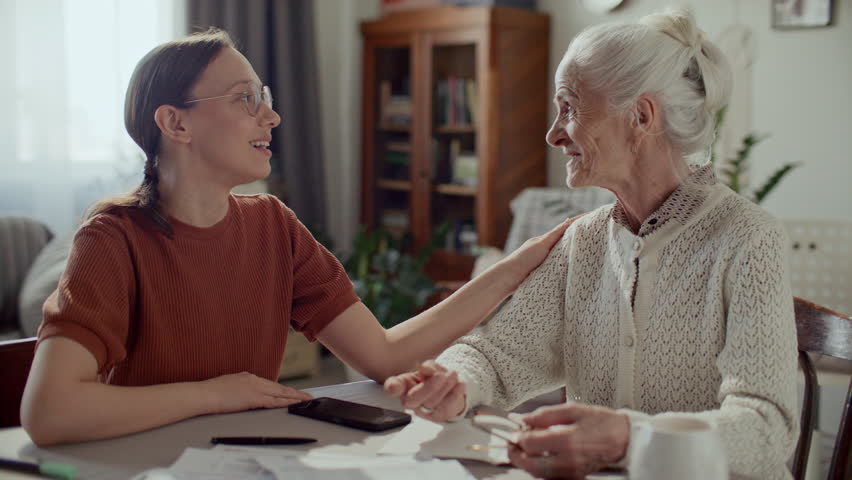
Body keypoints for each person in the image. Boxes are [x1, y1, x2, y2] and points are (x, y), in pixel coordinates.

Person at [20, 28, 575, 446]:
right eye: (246, 99)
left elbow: (385, 355)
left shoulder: (273, 226)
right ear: (176, 123)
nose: (273, 116)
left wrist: (518, 263)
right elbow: (50, 413)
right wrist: (217, 394)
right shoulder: (112, 241)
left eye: (263, 96)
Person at [384, 9, 798, 480]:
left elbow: (767, 428)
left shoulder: (747, 238)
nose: (554, 134)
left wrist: (627, 436)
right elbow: (497, 355)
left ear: (641, 116)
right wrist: (455, 381)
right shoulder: (583, 239)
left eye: (570, 107)